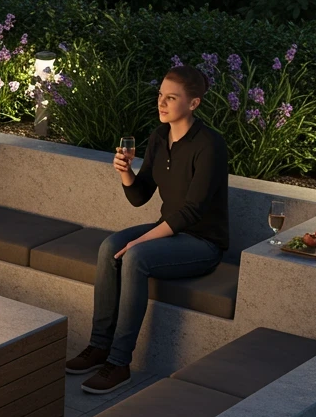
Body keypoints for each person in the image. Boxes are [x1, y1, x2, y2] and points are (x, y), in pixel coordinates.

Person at [66, 65, 230, 394]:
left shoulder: (209, 144)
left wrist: (140, 240)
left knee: (135, 256)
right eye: (160, 95)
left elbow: (191, 211)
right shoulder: (159, 137)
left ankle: (119, 362)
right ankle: (99, 346)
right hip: (169, 231)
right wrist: (125, 171)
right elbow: (140, 196)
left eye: (172, 97)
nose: (162, 103)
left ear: (193, 104)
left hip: (202, 242)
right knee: (109, 246)